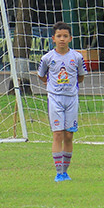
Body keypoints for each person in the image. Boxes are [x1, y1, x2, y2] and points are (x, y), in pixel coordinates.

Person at [37, 21, 86, 182]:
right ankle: (58, 172)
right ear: (53, 39)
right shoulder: (47, 58)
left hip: (71, 99)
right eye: (59, 36)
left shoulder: (77, 57)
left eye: (65, 36)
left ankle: (66, 171)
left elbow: (80, 77)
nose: (62, 39)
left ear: (70, 38)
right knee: (57, 134)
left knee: (69, 135)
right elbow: (41, 75)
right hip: (55, 99)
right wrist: (51, 84)